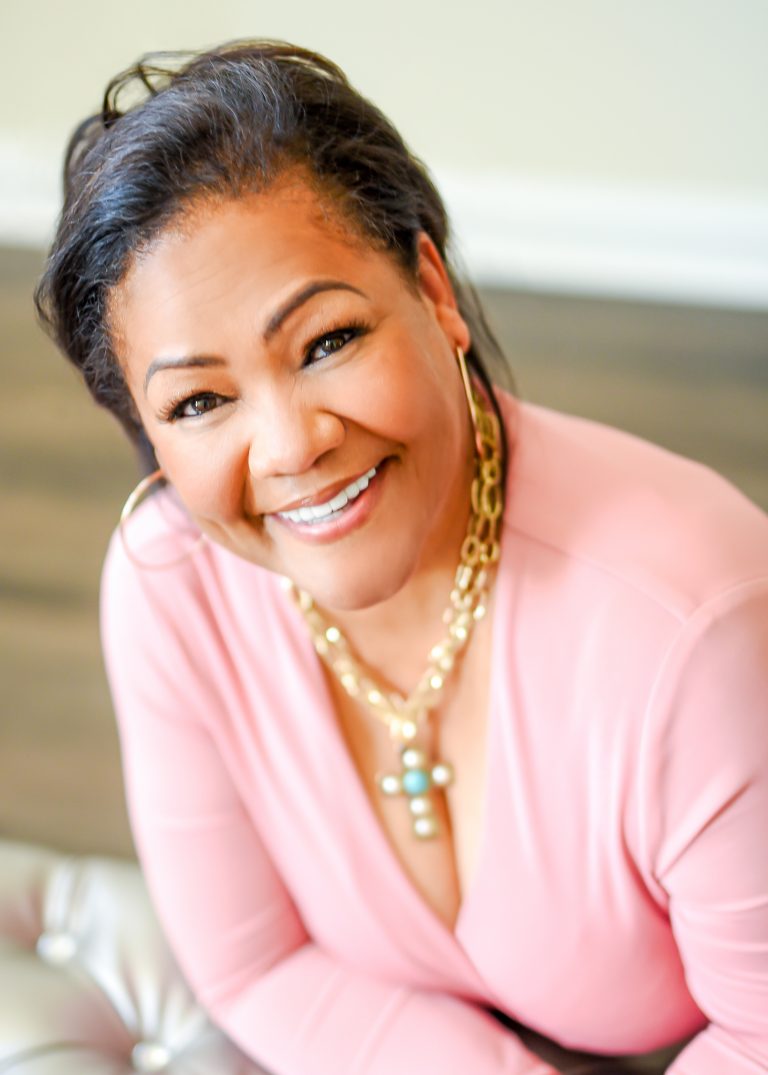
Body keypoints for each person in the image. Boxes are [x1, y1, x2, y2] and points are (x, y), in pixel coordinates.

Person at [35, 40, 768, 1075]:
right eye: (199, 402)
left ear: (432, 288)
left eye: (327, 339)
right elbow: (256, 965)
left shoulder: (698, 627)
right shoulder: (171, 587)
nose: (291, 447)